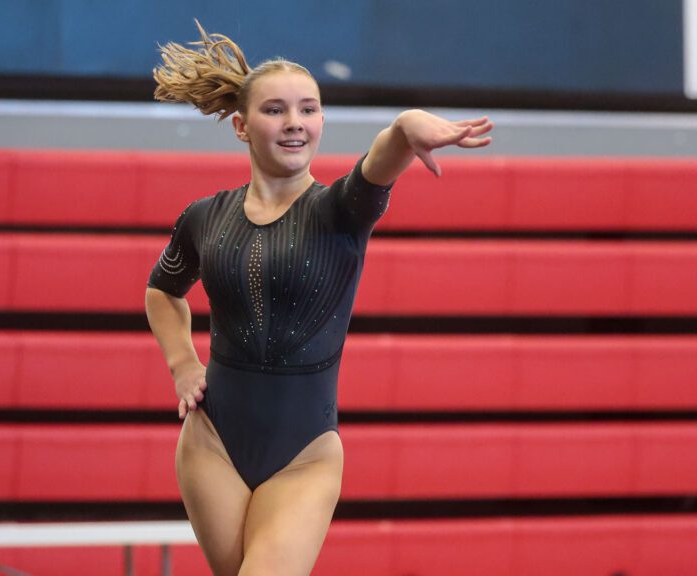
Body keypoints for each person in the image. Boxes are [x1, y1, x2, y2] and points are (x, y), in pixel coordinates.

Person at [145, 22, 492, 576]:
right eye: (275, 110)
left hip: (303, 455)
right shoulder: (204, 217)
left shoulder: (340, 212)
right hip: (212, 443)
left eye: (309, 110)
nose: (294, 124)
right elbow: (163, 291)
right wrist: (182, 361)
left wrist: (406, 127)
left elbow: (381, 158)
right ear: (241, 125)